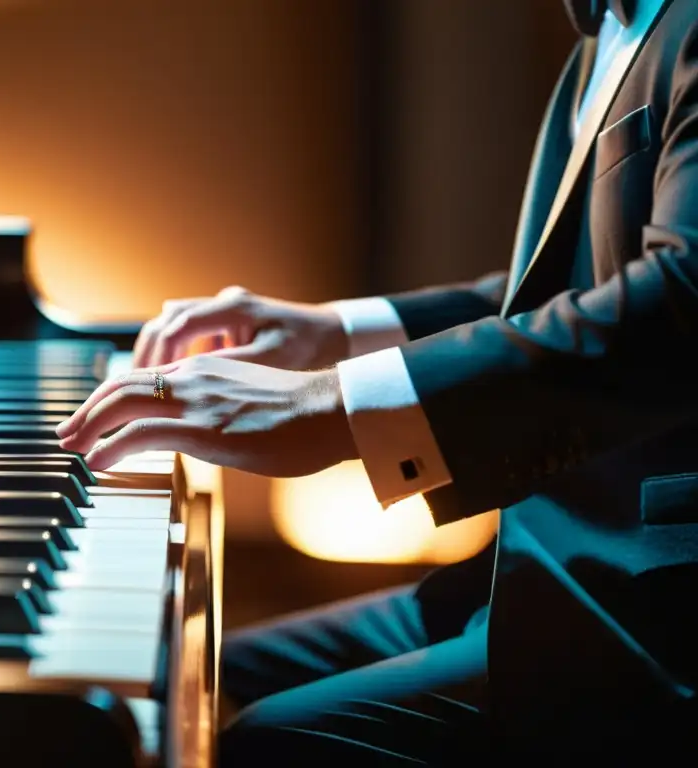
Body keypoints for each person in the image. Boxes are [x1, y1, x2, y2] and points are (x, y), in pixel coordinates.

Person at [57, 0, 698, 762]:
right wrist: (341, 329)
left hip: (649, 606)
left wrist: (334, 406)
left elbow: (678, 306)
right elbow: (582, 289)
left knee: (267, 743)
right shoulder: (622, 26)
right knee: (181, 673)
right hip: (534, 572)